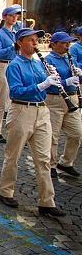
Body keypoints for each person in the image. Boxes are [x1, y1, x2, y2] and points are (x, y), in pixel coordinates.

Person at [0, 29, 65, 217]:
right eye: (31, 41)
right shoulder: (14, 66)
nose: (35, 44)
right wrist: (42, 85)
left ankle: (47, 202)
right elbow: (16, 91)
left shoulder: (39, 64)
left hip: (41, 111)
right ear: (20, 43)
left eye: (36, 40)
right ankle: (6, 191)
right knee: (13, 155)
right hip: (21, 111)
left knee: (44, 159)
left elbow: (46, 86)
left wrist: (55, 81)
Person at [43, 32, 81, 179]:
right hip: (55, 100)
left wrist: (79, 73)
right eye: (64, 43)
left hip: (72, 98)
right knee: (53, 135)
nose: (67, 46)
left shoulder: (69, 57)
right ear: (54, 44)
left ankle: (66, 162)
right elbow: (50, 83)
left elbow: (76, 74)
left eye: (68, 43)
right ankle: (50, 164)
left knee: (77, 133)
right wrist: (66, 81)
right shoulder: (48, 60)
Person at [0, 5, 22, 143]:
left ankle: (14, 130)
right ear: (5, 17)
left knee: (15, 100)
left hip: (15, 66)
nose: (15, 17)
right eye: (12, 15)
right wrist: (12, 46)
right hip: (3, 65)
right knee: (2, 101)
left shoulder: (16, 32)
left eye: (16, 15)